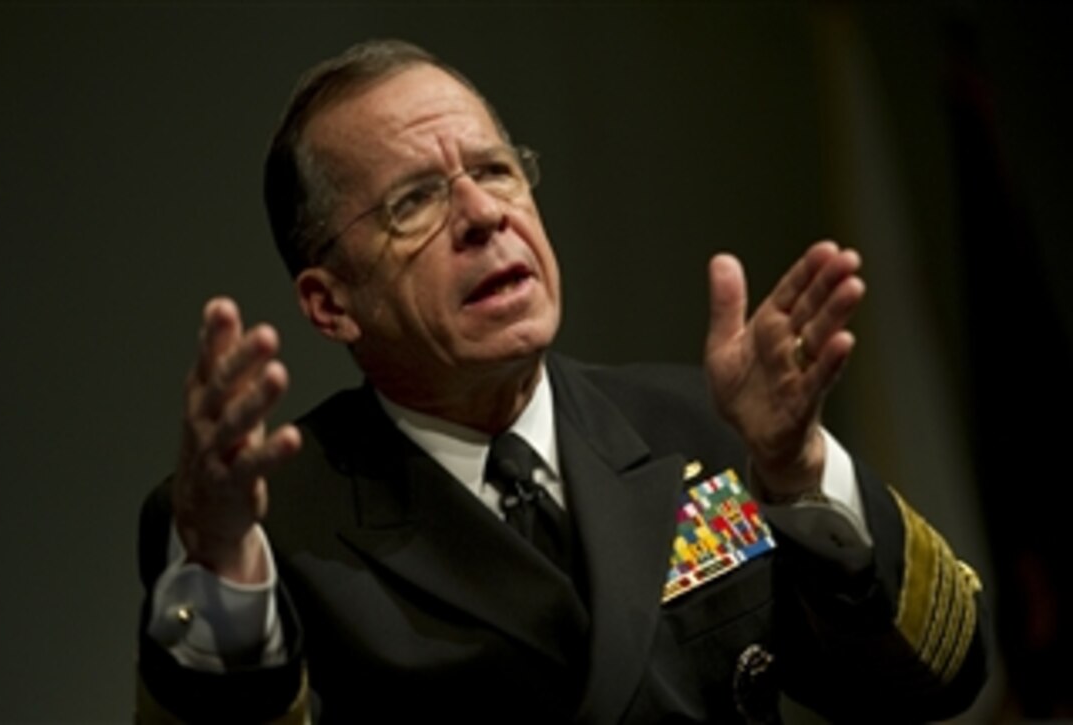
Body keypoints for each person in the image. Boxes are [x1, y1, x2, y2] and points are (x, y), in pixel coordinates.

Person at [136, 39, 987, 723]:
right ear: (331, 303)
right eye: (415, 201)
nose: (483, 215)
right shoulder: (264, 525)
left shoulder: (704, 424)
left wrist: (802, 472)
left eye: (496, 169)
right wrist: (224, 572)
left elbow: (935, 684)